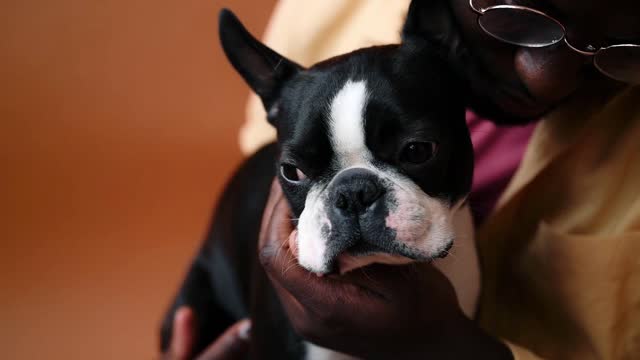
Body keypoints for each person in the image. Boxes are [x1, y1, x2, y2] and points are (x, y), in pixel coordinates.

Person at [163, 0, 640, 358]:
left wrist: (450, 347)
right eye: (521, 13)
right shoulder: (324, 12)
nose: (545, 77)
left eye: (618, 51)